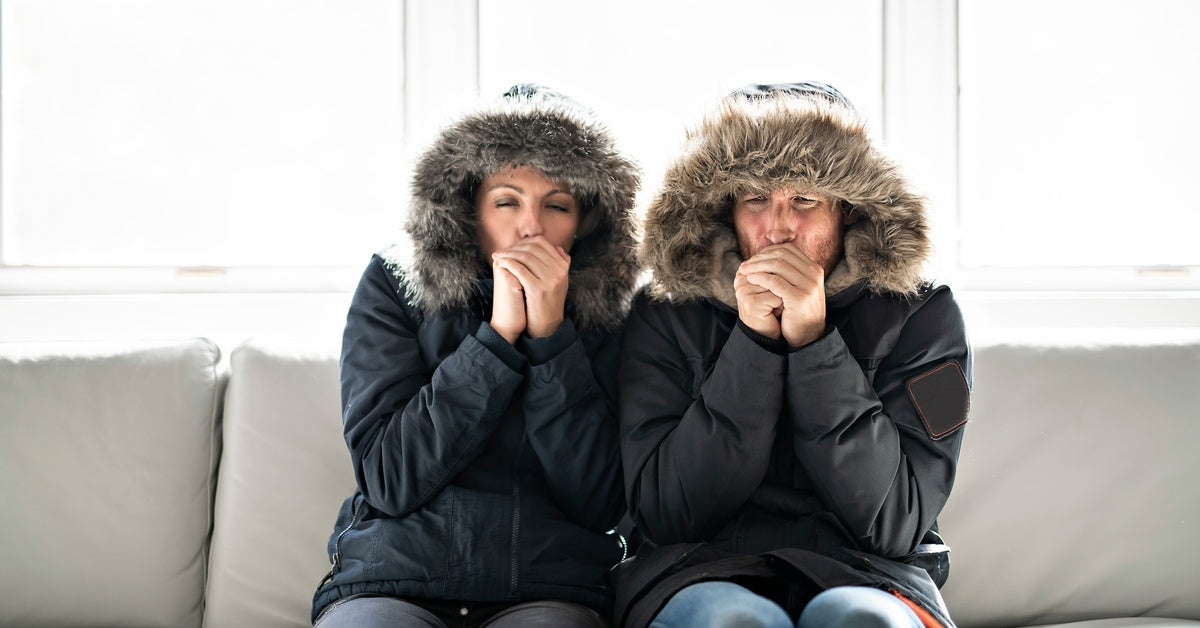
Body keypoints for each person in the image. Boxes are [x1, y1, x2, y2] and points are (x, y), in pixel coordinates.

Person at [613, 82, 971, 628]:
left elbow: (897, 520)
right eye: (755, 198)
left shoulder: (930, 317)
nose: (778, 226)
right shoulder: (663, 312)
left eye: (804, 199)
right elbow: (667, 515)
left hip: (872, 575)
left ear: (848, 209)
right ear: (725, 210)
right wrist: (753, 344)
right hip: (696, 572)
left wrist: (815, 344)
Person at [311, 84, 641, 627]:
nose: (530, 226)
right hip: (392, 581)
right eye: (507, 201)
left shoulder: (615, 314)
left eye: (556, 205)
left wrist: (552, 337)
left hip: (548, 589)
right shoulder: (395, 285)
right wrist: (497, 337)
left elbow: (601, 500)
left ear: (585, 223)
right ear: (469, 210)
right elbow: (391, 477)